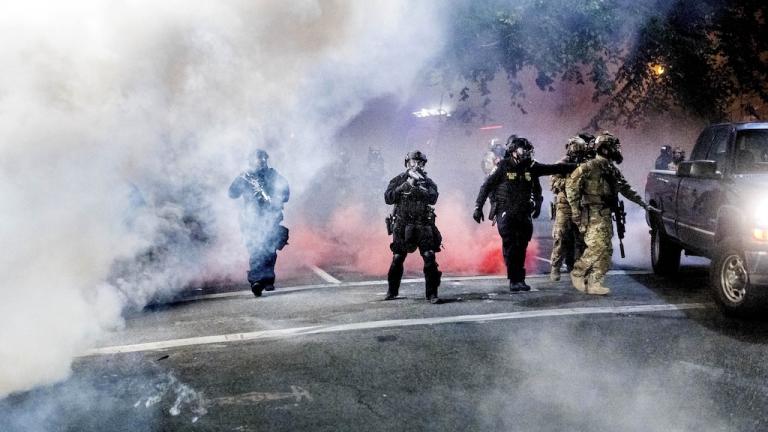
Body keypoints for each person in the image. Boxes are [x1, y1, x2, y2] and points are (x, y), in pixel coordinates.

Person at [473, 136, 575, 291]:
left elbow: (553, 168)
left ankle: (520, 279)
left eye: (528, 149)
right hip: (506, 212)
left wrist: (578, 166)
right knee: (511, 245)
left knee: (522, 246)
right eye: (523, 149)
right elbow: (486, 186)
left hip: (523, 212)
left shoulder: (531, 166)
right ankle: (514, 280)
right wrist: (478, 207)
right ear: (513, 151)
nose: (526, 152)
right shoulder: (503, 166)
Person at [566, 132, 648, 295]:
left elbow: (625, 188)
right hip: (592, 213)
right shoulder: (588, 167)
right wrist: (575, 210)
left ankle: (595, 282)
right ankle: (578, 272)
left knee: (607, 250)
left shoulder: (611, 169)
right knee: (597, 247)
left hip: (605, 213)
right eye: (611, 147)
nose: (615, 150)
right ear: (604, 149)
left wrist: (643, 203)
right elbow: (571, 186)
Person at [228, 149, 290, 297]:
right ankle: (256, 280)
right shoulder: (245, 177)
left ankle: (268, 280)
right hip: (251, 219)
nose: (262, 162)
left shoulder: (273, 175)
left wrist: (276, 197)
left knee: (269, 250)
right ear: (251, 161)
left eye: (264, 159)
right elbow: (232, 193)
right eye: (258, 159)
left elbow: (286, 194)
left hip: (271, 217)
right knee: (256, 249)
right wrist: (240, 183)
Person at [384, 150, 443, 303]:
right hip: (403, 225)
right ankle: (392, 291)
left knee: (429, 256)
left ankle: (432, 294)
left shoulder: (428, 182)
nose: (417, 165)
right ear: (407, 163)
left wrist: (420, 187)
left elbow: (433, 198)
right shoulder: (399, 180)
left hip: (423, 224)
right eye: (413, 162)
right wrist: (404, 186)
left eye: (420, 162)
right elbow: (388, 198)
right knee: (398, 258)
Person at [549, 136, 593, 281]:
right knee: (560, 237)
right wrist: (570, 183)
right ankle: (555, 267)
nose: (578, 155)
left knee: (582, 239)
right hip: (565, 205)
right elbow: (553, 183)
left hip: (582, 205)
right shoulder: (562, 164)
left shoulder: (587, 164)